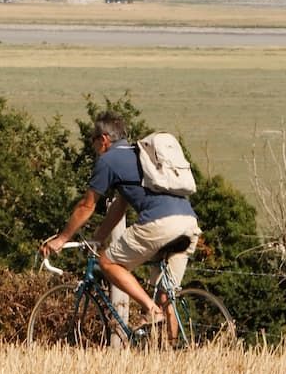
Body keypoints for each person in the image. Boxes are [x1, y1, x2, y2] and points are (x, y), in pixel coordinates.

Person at [40, 113, 201, 337]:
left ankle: (150, 309)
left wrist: (62, 239)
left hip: (160, 223)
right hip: (188, 223)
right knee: (166, 293)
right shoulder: (139, 155)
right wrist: (98, 237)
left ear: (104, 139)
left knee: (107, 262)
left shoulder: (108, 160)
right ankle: (171, 351)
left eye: (93, 141)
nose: (94, 147)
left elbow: (86, 206)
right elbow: (120, 206)